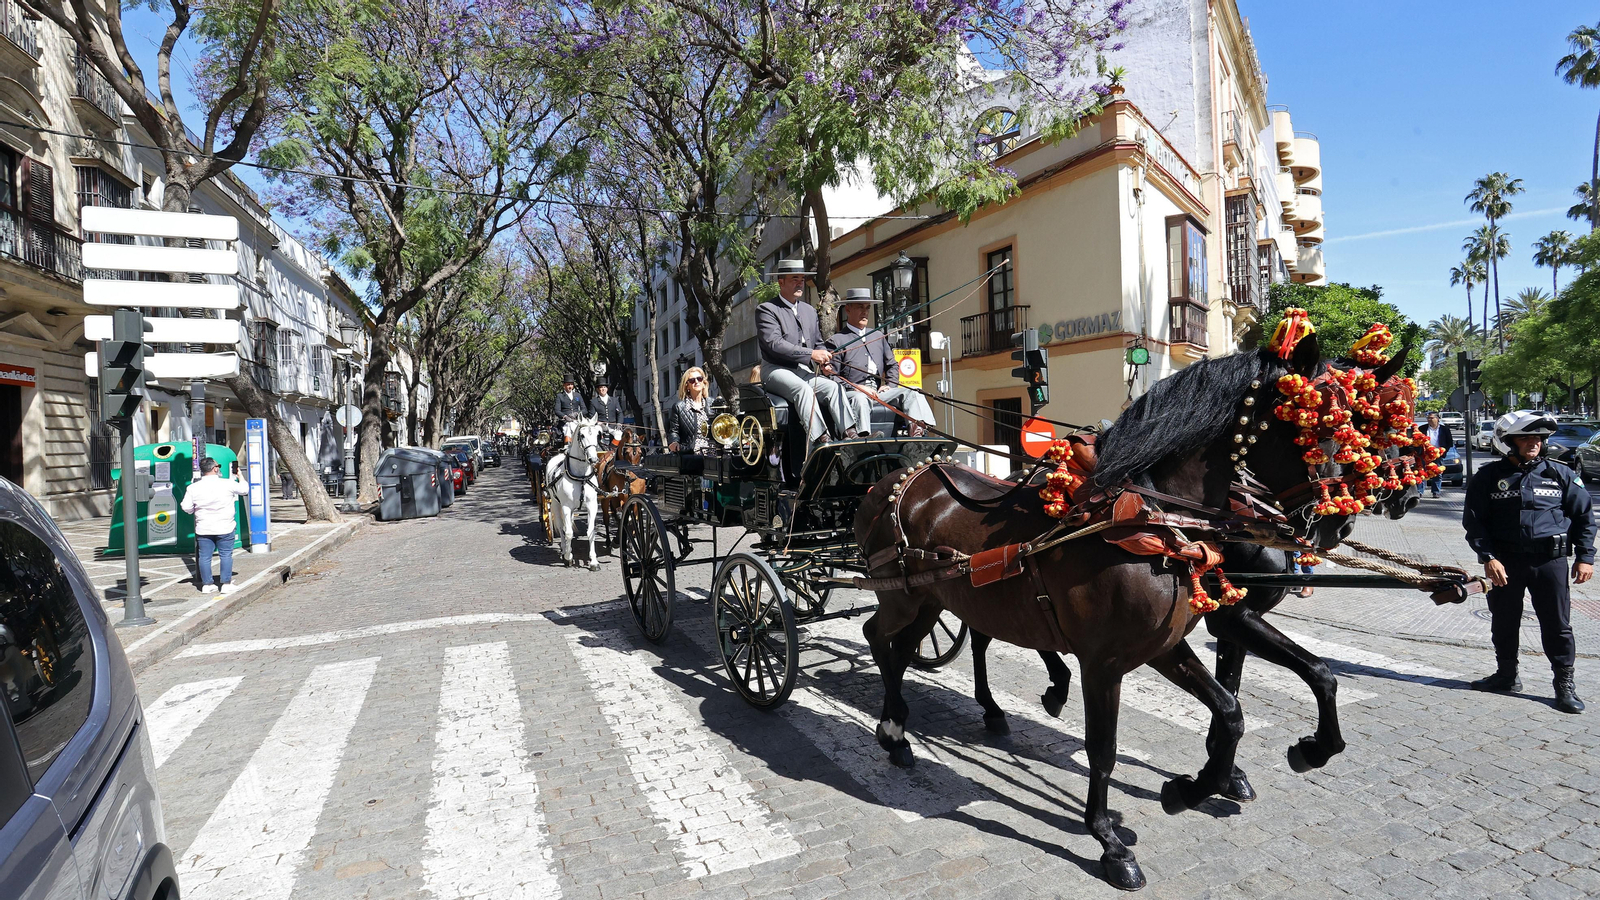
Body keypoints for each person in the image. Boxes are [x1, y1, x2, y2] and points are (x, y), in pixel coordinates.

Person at [1462, 410, 1595, 714]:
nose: (1533, 442)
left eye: (1538, 437)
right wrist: (1488, 558)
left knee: (1557, 625)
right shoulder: (1489, 476)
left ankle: (1564, 686)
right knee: (1504, 620)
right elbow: (1475, 523)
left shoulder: (1560, 474)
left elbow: (1585, 517)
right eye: (1526, 437)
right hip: (1505, 563)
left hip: (1550, 562)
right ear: (1510, 442)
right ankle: (1506, 676)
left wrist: (1585, 557)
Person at [757, 258, 850, 452]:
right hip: (775, 369)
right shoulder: (767, 310)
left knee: (834, 388)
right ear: (780, 282)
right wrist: (811, 354)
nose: (800, 283)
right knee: (803, 390)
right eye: (794, 279)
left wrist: (824, 360)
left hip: (803, 370)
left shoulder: (808, 310)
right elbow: (775, 344)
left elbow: (817, 342)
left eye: (802, 279)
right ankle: (820, 440)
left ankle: (851, 434)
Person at [828, 287, 935, 438]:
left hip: (878, 394)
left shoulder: (877, 336)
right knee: (860, 399)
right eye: (860, 307)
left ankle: (917, 432)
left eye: (867, 308)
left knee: (913, 390)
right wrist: (857, 388)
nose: (865, 312)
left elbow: (892, 365)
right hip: (852, 394)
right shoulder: (837, 340)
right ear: (848, 309)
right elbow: (831, 376)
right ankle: (863, 437)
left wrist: (890, 386)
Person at [181, 457, 250, 595]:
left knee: (204, 557)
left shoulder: (193, 487)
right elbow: (244, 490)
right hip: (225, 526)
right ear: (215, 469)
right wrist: (240, 476)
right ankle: (226, 583)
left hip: (204, 527)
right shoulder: (227, 483)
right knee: (225, 555)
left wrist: (195, 510)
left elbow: (186, 507)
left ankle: (207, 584)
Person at [668, 366, 715, 454]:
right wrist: (674, 442)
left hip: (714, 452)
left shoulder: (713, 404)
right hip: (692, 454)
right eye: (692, 380)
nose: (696, 381)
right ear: (687, 386)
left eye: (699, 379)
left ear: (704, 382)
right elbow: (673, 431)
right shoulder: (679, 407)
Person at [1422, 412, 1455, 498]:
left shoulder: (1444, 430)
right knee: (1422, 473)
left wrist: (1443, 451)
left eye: (1432, 418)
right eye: (1428, 418)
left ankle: (1436, 491)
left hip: (1438, 455)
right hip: (1425, 455)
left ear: (1437, 419)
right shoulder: (1422, 428)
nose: (1429, 420)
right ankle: (1420, 492)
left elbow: (1449, 443)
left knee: (1437, 473)